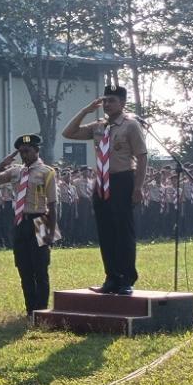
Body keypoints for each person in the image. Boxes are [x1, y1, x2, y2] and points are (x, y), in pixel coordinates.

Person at [62, 85, 148, 295]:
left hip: (122, 180)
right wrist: (85, 111)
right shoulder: (99, 126)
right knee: (106, 231)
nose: (107, 104)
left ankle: (126, 279)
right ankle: (111, 277)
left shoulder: (131, 125)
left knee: (123, 231)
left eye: (112, 100)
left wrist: (138, 187)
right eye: (105, 100)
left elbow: (142, 157)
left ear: (122, 103)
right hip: (101, 182)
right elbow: (68, 132)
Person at [0, 134, 58, 316]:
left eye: (27, 151)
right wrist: (2, 164)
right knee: (24, 268)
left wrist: (51, 231)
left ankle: (41, 311)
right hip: (20, 221)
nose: (24, 155)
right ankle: (30, 309)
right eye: (21, 152)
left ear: (36, 151)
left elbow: (53, 204)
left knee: (40, 268)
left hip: (41, 219)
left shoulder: (47, 172)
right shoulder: (16, 171)